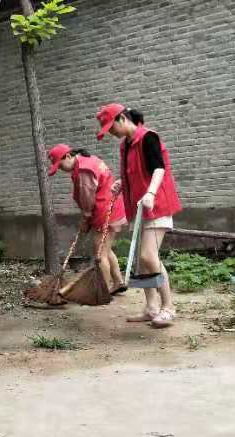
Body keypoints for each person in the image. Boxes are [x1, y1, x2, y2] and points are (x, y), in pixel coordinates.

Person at [96, 103, 183, 328]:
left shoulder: (148, 137)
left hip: (157, 204)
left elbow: (158, 168)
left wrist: (151, 192)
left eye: (111, 127)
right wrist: (121, 184)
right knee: (141, 261)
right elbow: (135, 173)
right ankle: (151, 308)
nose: (111, 133)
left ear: (122, 119)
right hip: (140, 208)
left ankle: (168, 307)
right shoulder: (126, 145)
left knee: (148, 256)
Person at [47, 143, 127, 293]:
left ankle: (102, 291)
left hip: (104, 210)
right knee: (106, 250)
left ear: (69, 156)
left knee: (99, 254)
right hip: (112, 206)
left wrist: (85, 218)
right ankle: (118, 282)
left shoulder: (84, 170)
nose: (60, 169)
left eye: (60, 164)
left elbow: (87, 198)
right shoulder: (88, 160)